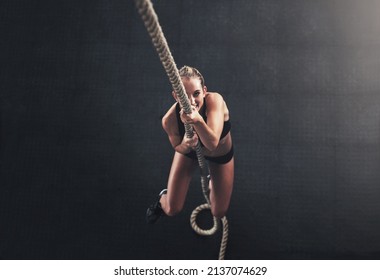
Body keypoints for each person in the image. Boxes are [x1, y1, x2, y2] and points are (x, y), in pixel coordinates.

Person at [146, 65, 234, 223]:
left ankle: (213, 181)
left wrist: (197, 120)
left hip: (220, 155)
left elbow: (212, 143)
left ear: (204, 91)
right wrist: (185, 145)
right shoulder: (169, 120)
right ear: (176, 96)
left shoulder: (215, 101)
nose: (191, 101)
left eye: (196, 94)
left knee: (219, 211)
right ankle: (162, 198)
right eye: (184, 96)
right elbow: (177, 147)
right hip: (190, 153)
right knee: (172, 209)